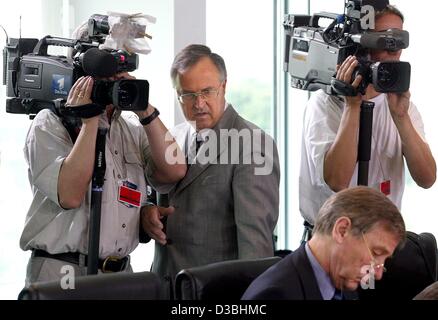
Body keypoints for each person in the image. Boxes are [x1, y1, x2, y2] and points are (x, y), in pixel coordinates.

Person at [19, 23, 187, 286]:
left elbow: (174, 169)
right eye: (106, 72)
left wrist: (144, 110)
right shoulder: (49, 123)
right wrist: (89, 121)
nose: (112, 81)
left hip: (119, 275)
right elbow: (71, 194)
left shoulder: (131, 129)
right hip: (64, 272)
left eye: (119, 71)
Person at [142, 44, 280, 292]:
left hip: (215, 290)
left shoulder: (254, 144)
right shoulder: (172, 136)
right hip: (165, 286)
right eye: (188, 94)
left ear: (224, 87)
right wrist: (148, 211)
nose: (199, 103)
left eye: (207, 91)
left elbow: (255, 246)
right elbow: (152, 196)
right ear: (177, 95)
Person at [299, 3, 436, 231]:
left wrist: (401, 118)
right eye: (383, 40)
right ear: (358, 47)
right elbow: (337, 180)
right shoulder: (325, 104)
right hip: (332, 239)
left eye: (399, 40)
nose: (394, 50)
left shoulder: (402, 105)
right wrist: (353, 105)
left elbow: (427, 178)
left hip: (383, 238)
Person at [242, 186, 406, 300]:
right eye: (376, 253)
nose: (377, 274)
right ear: (342, 230)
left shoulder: (345, 284)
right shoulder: (273, 296)